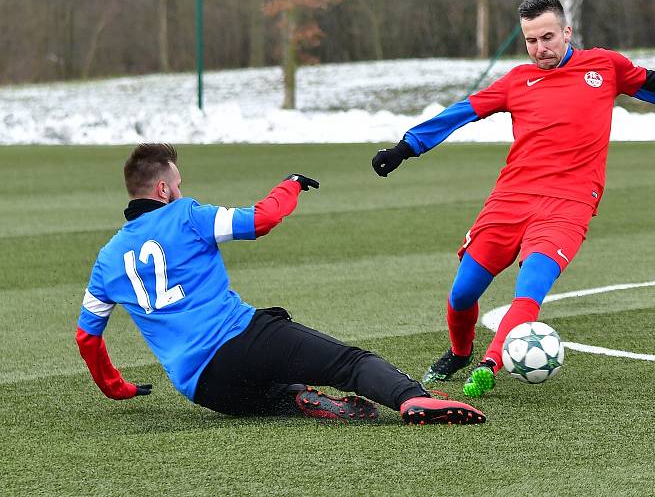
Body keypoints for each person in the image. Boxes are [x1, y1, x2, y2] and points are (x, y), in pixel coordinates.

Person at [371, 0, 655, 398]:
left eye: (547, 37)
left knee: (529, 291)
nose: (540, 48)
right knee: (462, 294)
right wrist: (406, 147)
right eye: (531, 41)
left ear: (567, 32)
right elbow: (461, 112)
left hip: (570, 203)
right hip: (511, 199)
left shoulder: (603, 66)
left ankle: (492, 362)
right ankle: (460, 352)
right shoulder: (516, 82)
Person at [75, 143, 485, 425]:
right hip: (241, 339)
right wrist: (288, 186)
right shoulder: (185, 215)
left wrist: (118, 387)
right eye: (178, 184)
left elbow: (87, 339)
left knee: (278, 394)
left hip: (203, 388)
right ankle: (413, 398)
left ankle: (296, 397)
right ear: (163, 189)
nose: (182, 190)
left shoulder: (107, 259)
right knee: (348, 363)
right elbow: (260, 220)